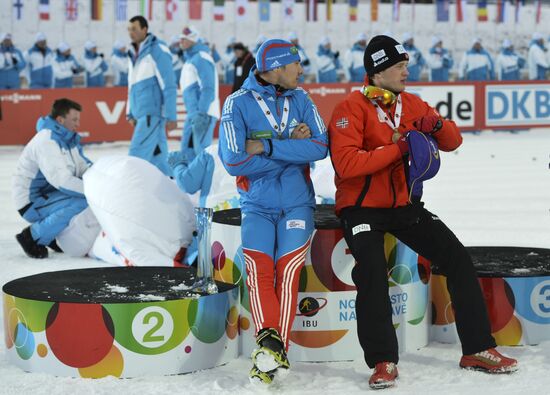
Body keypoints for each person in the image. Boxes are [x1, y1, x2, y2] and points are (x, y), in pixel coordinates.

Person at [328, 35, 518, 390]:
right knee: (371, 273)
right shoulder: (349, 109)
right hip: (361, 208)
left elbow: (454, 141)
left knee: (458, 258)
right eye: (399, 67)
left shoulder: (412, 104)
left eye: (405, 65)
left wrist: (436, 126)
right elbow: (347, 164)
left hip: (405, 207)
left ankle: (478, 348)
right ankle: (383, 361)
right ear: (378, 71)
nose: (406, 72)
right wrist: (398, 148)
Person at [218, 38, 328, 384]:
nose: (301, 70)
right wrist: (293, 147)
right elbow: (234, 160)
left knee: (288, 268)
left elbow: (321, 147)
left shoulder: (302, 98)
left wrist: (266, 146)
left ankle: (268, 347)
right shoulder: (236, 103)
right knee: (259, 270)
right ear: (278, 68)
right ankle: (272, 349)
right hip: (257, 206)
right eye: (296, 65)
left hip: (298, 203)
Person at [13, 98, 91, 259]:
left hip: (49, 195)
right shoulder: (47, 141)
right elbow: (61, 181)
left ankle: (50, 233)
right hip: (31, 201)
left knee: (83, 197)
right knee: (82, 202)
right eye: (74, 119)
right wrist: (93, 191)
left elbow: (83, 167)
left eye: (79, 119)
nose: (78, 124)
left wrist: (103, 178)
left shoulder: (69, 140)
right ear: (60, 120)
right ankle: (32, 236)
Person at [127, 15, 177, 176]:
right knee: (159, 160)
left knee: (136, 155)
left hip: (152, 115)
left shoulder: (157, 50)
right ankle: (171, 187)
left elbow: (169, 85)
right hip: (141, 114)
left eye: (134, 29)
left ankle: (127, 190)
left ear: (144, 29)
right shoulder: (133, 53)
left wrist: (171, 115)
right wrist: (130, 112)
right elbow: (132, 87)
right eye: (129, 29)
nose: (131, 32)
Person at [179, 26, 219, 161]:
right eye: (180, 38)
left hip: (203, 114)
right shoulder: (190, 59)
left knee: (200, 155)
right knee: (187, 154)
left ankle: (206, 182)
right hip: (193, 114)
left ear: (194, 39)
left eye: (185, 38)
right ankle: (191, 182)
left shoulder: (201, 58)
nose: (181, 41)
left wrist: (201, 113)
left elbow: (208, 88)